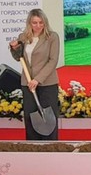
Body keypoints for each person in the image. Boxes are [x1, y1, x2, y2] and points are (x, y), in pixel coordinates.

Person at [7, 8, 61, 141]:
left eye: (41, 23)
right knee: (30, 116)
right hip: (27, 82)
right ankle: (32, 145)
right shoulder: (23, 37)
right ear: (29, 23)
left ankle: (51, 145)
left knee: (49, 117)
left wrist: (37, 79)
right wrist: (14, 48)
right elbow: (18, 57)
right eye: (34, 23)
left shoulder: (52, 37)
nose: (38, 26)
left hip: (47, 82)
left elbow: (53, 60)